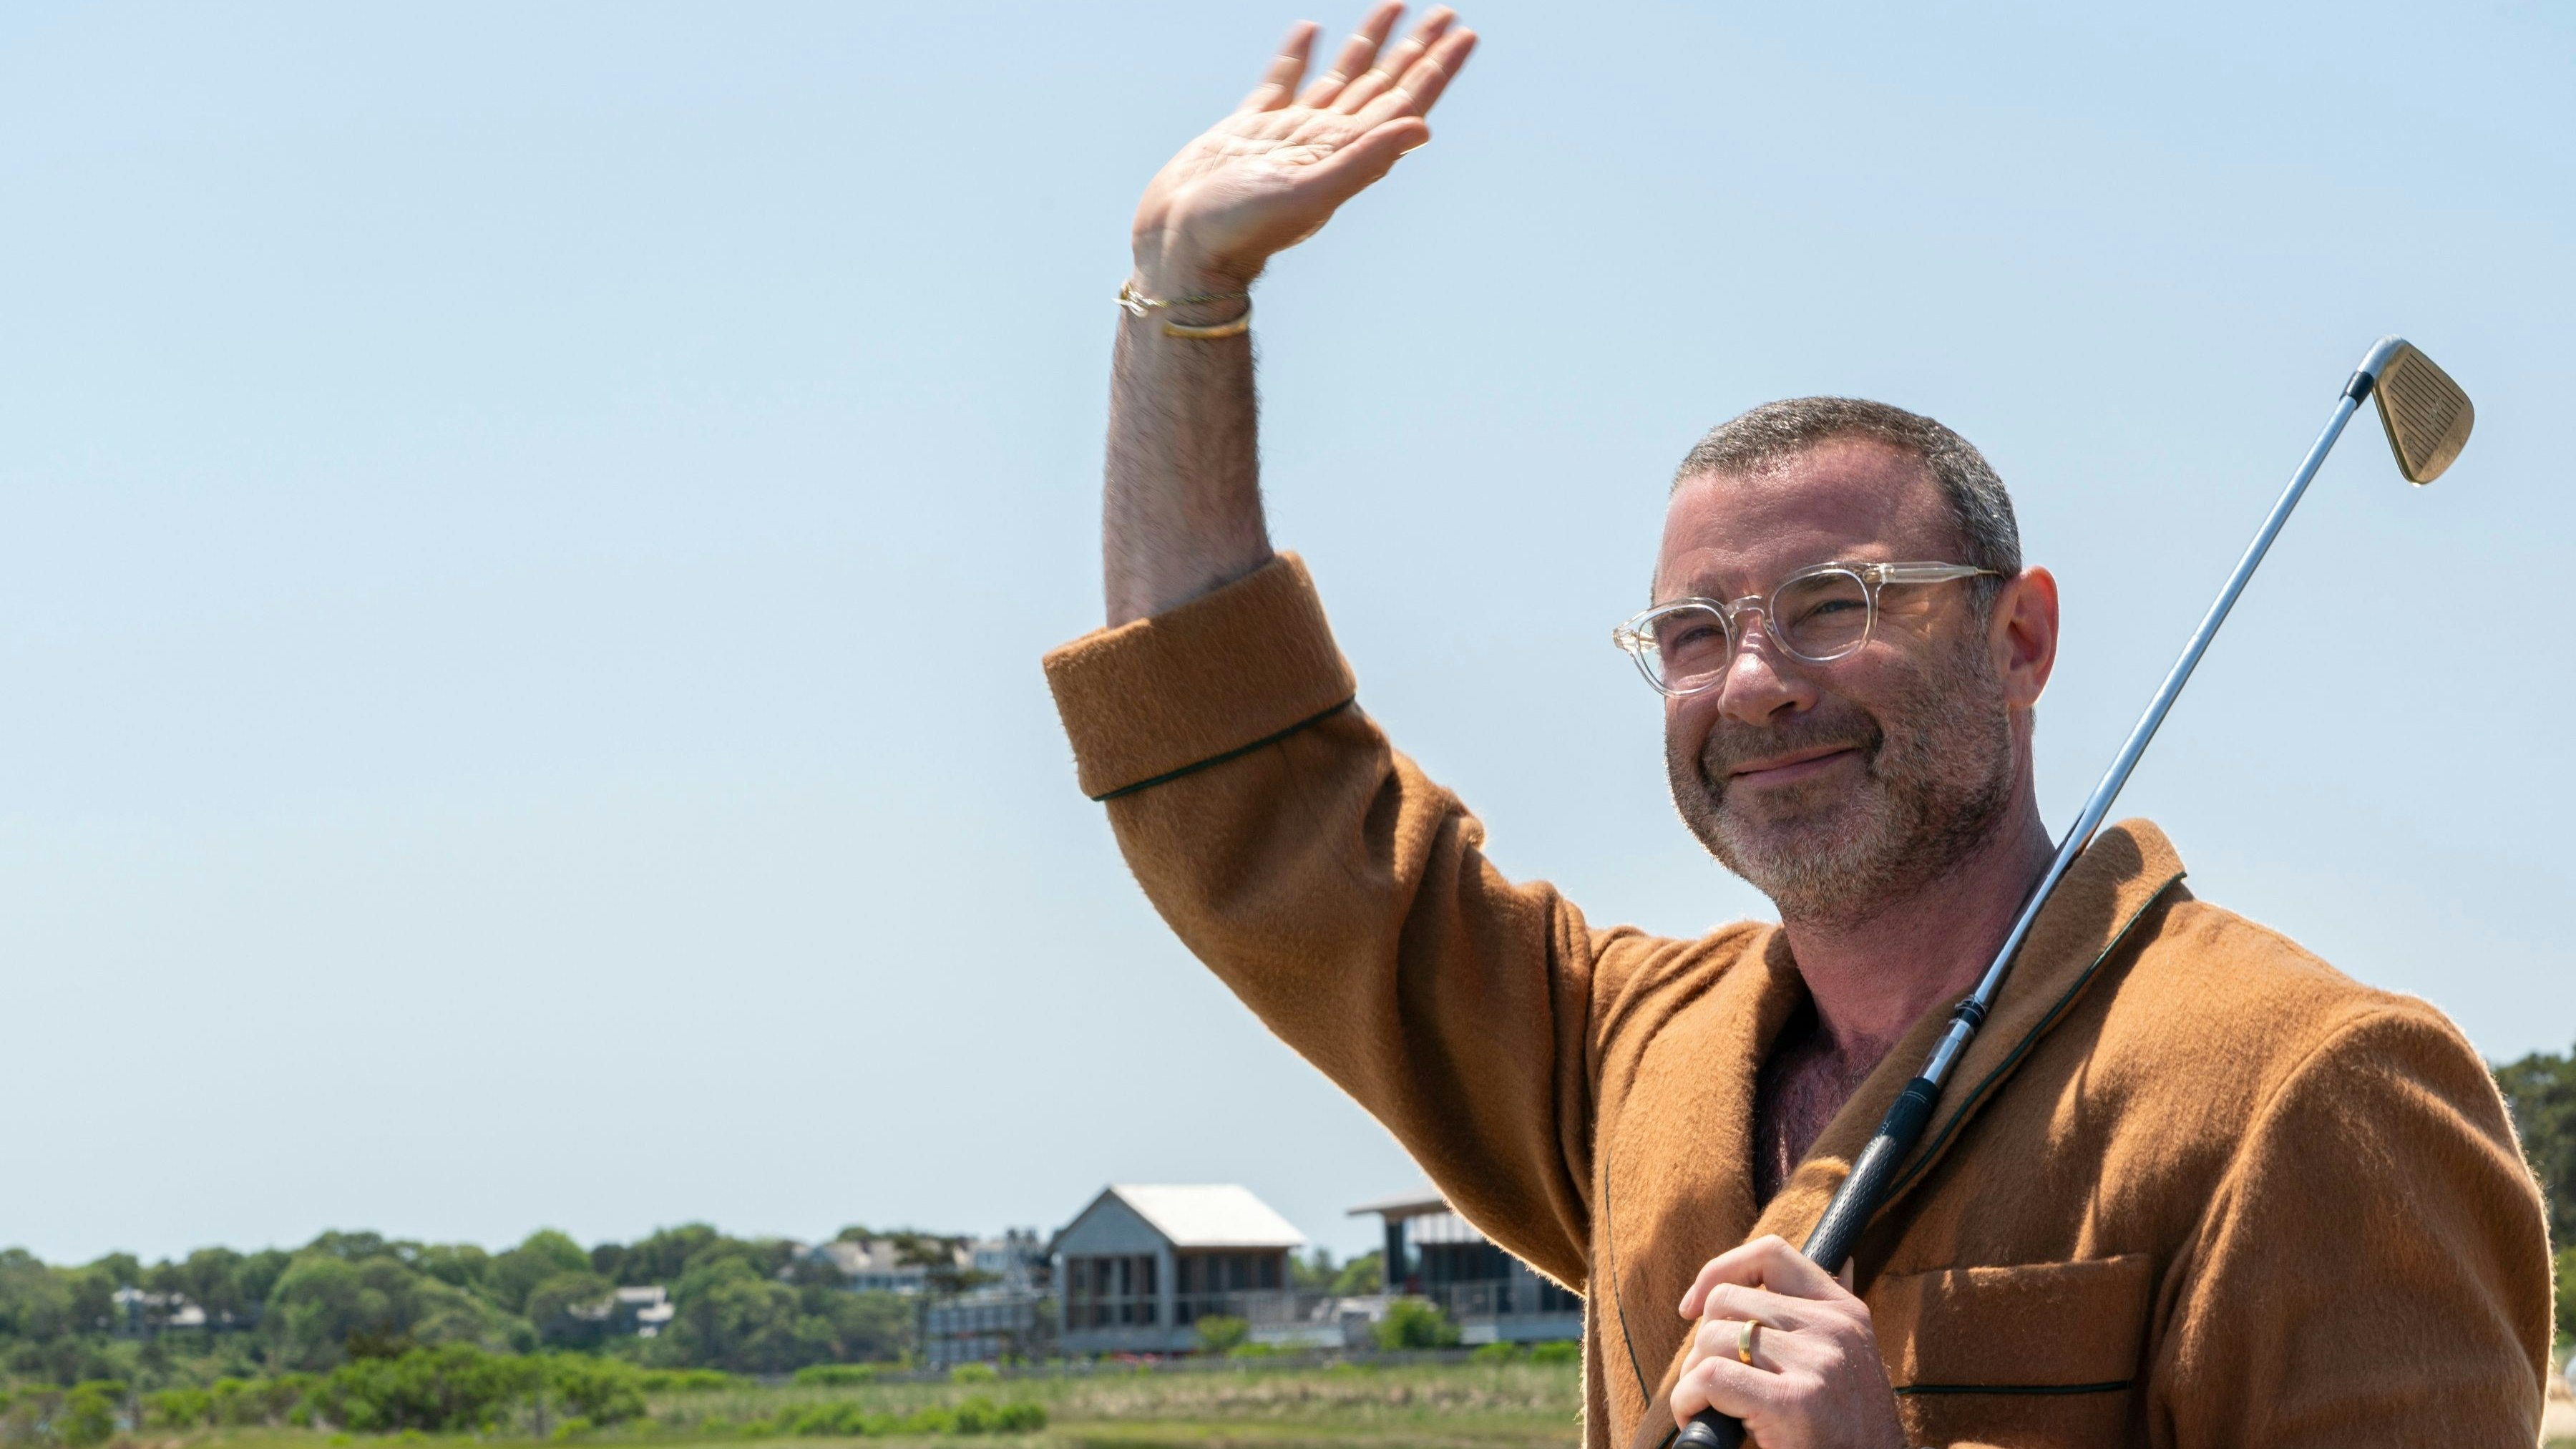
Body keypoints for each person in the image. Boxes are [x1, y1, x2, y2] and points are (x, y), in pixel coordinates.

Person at [1040, 6, 2555, 1445]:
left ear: (2017, 634)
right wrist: (1182, 302)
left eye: (1834, 603)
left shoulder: (2313, 1081)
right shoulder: (1634, 1052)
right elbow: (1252, 793)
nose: (1753, 683)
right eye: (1694, 634)